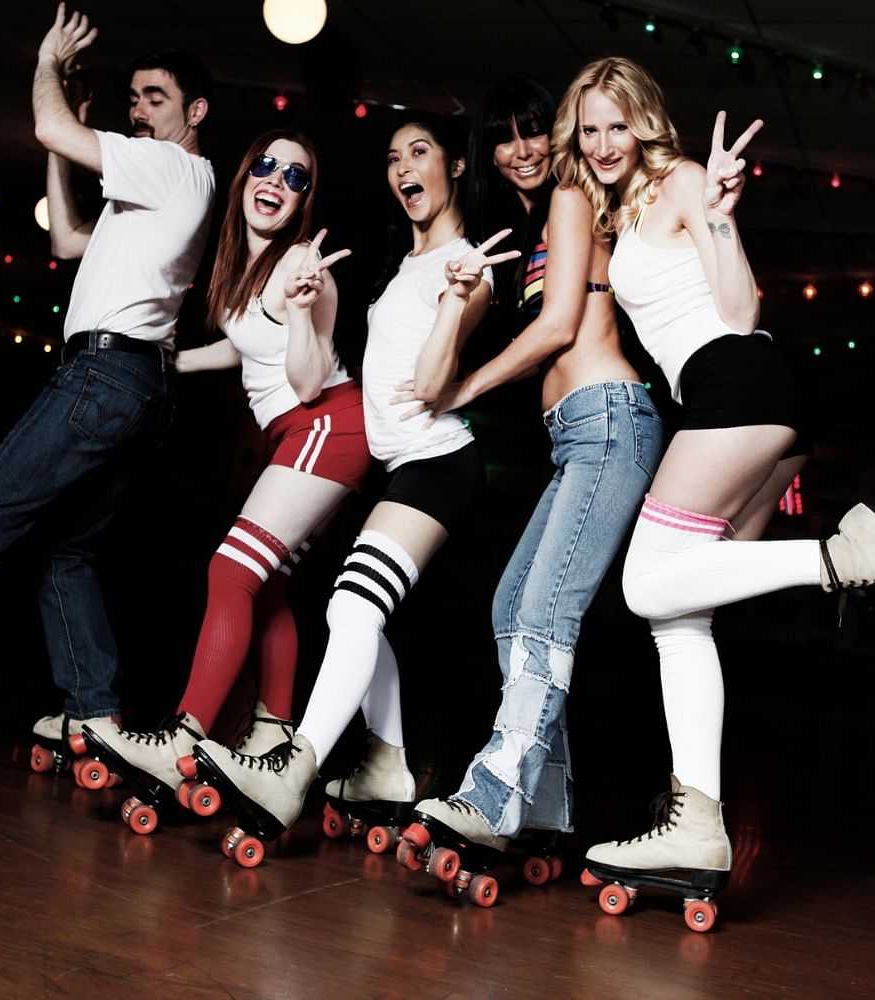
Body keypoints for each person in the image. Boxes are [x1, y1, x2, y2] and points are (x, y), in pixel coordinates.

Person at [550, 57, 874, 924]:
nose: (605, 143)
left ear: (646, 122)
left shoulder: (686, 180)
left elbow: (738, 309)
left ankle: (837, 559)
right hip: (748, 402)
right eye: (590, 129)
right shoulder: (616, 213)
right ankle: (697, 822)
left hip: (736, 381)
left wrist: (722, 221)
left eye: (619, 124)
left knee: (643, 582)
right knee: (680, 613)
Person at [0, 4, 215, 757]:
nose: (138, 111)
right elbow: (65, 238)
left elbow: (50, 128)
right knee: (67, 550)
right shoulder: (153, 194)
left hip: (103, 376)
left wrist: (46, 66)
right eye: (132, 100)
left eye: (155, 98)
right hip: (136, 390)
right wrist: (72, 149)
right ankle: (94, 711)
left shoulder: (175, 166)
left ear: (196, 111)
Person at [185, 115, 519, 858]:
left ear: (454, 168)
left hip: (439, 461)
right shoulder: (409, 263)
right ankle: (388, 767)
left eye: (421, 151)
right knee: (356, 612)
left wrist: (457, 300)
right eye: (394, 156)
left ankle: (292, 769)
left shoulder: (468, 262)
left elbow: (432, 384)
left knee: (350, 605)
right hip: (402, 467)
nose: (405, 167)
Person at [393, 75, 662, 869]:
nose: (522, 149)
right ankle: (546, 803)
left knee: (544, 612)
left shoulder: (572, 198)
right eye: (504, 137)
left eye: (535, 130)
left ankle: (496, 790)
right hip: (576, 434)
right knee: (513, 606)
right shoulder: (541, 222)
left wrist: (463, 390)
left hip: (610, 418)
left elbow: (558, 327)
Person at [77, 130, 369, 801]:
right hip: (302, 434)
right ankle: (270, 733)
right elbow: (246, 350)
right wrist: (172, 361)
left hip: (326, 424)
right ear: (243, 179)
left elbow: (305, 379)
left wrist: (300, 311)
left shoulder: (301, 266)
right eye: (265, 165)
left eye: (294, 176)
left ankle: (185, 734)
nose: (275, 180)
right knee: (263, 586)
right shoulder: (245, 264)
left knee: (230, 570)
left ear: (302, 201)